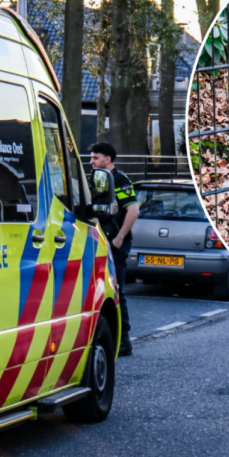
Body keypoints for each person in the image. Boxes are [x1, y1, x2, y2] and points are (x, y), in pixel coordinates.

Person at [89, 141, 139, 357]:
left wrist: (119, 238)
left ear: (107, 160)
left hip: (115, 241)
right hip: (99, 239)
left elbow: (133, 210)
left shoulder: (119, 180)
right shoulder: (96, 180)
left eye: (95, 158)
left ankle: (124, 340)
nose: (91, 161)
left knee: (117, 290)